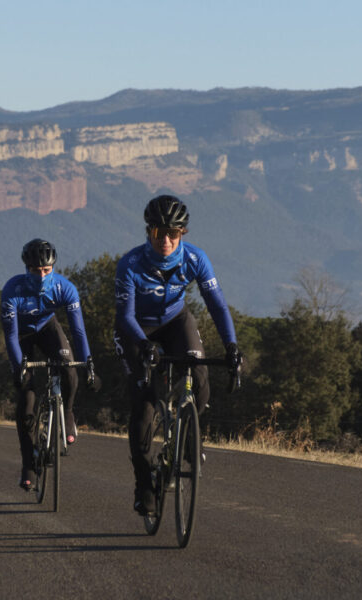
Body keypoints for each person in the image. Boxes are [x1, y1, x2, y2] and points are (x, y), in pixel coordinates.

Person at [113, 194, 242, 516]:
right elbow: (125, 316)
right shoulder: (130, 264)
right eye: (159, 232)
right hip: (136, 328)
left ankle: (187, 439)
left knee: (199, 377)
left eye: (173, 233)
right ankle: (144, 485)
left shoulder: (195, 258)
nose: (166, 241)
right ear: (149, 231)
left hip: (175, 321)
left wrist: (231, 346)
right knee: (144, 405)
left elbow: (217, 305)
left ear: (182, 233)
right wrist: (143, 344)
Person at [0, 238, 100, 491]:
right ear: (27, 269)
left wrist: (89, 364)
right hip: (21, 335)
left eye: (47, 270)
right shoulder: (13, 289)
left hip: (47, 327)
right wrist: (18, 368)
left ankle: (67, 412)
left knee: (69, 369)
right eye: (36, 270)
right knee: (26, 400)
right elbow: (10, 336)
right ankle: (28, 464)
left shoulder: (65, 288)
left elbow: (78, 331)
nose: (42, 275)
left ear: (53, 267)